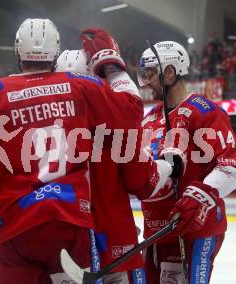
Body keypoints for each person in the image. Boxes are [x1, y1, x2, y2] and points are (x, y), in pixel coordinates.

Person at [0, 18, 180, 284]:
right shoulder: (80, 86)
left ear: (17, 51)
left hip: (14, 228)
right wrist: (111, 63)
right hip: (70, 224)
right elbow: (131, 109)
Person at [138, 41, 236, 284]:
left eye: (151, 73)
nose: (147, 81)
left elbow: (230, 167)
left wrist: (198, 197)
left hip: (194, 229)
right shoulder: (149, 118)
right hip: (156, 231)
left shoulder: (205, 111)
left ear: (170, 72)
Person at [55, 34, 146, 283]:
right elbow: (141, 180)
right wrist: (111, 64)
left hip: (62, 237)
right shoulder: (117, 128)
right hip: (114, 238)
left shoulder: (41, 127)